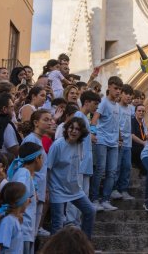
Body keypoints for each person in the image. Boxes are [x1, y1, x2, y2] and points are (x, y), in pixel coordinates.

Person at [47, 117, 96, 239]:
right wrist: (47, 190)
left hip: (74, 189)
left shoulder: (79, 144)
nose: (74, 131)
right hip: (57, 189)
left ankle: (84, 245)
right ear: (67, 129)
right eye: (71, 128)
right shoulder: (58, 145)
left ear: (81, 132)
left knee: (90, 211)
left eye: (77, 129)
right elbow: (48, 168)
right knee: (57, 224)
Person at [65, 91, 100, 227]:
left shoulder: (85, 118)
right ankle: (71, 221)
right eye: (95, 104)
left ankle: (77, 222)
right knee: (75, 192)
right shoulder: (79, 116)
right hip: (78, 162)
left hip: (85, 162)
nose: (96, 108)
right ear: (86, 102)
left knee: (83, 194)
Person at [90, 76, 123, 211]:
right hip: (102, 140)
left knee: (112, 172)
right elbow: (94, 119)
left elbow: (116, 123)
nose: (118, 92)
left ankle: (106, 199)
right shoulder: (103, 102)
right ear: (109, 87)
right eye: (116, 89)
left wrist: (120, 137)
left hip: (114, 143)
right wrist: (92, 133)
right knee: (100, 170)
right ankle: (94, 199)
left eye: (120, 90)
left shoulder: (117, 105)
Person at [7, 143, 43, 254]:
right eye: (41, 157)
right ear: (36, 159)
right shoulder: (24, 174)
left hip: (26, 228)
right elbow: (18, 194)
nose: (42, 161)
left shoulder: (23, 172)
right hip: (24, 227)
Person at [22, 110, 52, 238]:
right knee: (28, 230)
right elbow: (26, 166)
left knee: (33, 231)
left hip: (38, 189)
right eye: (46, 120)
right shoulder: (31, 140)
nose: (50, 123)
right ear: (35, 122)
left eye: (50, 120)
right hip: (32, 190)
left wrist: (44, 189)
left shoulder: (40, 139)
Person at [0, 182, 30, 254]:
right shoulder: (8, 221)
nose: (30, 200)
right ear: (20, 201)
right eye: (27, 198)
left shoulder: (12, 220)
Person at [112, 84, 135, 200]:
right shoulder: (116, 107)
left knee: (127, 166)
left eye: (131, 95)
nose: (129, 97)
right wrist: (119, 137)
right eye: (126, 94)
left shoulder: (131, 109)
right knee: (117, 166)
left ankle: (124, 189)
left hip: (128, 142)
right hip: (118, 142)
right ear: (121, 94)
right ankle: (114, 189)